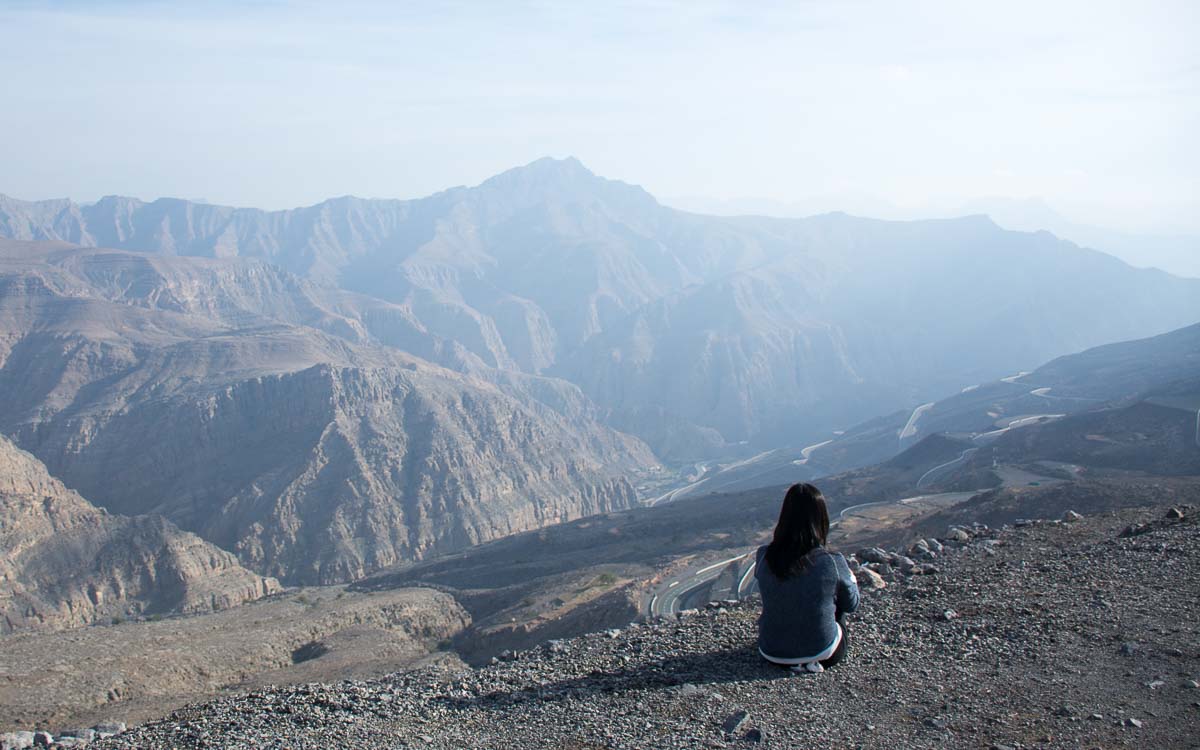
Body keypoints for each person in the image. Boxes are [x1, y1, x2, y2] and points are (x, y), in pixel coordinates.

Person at [754, 482, 859, 673]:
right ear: (821, 519)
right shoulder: (831, 561)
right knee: (838, 603)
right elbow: (851, 604)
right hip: (823, 652)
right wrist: (851, 579)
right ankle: (810, 649)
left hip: (770, 652)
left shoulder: (764, 556)